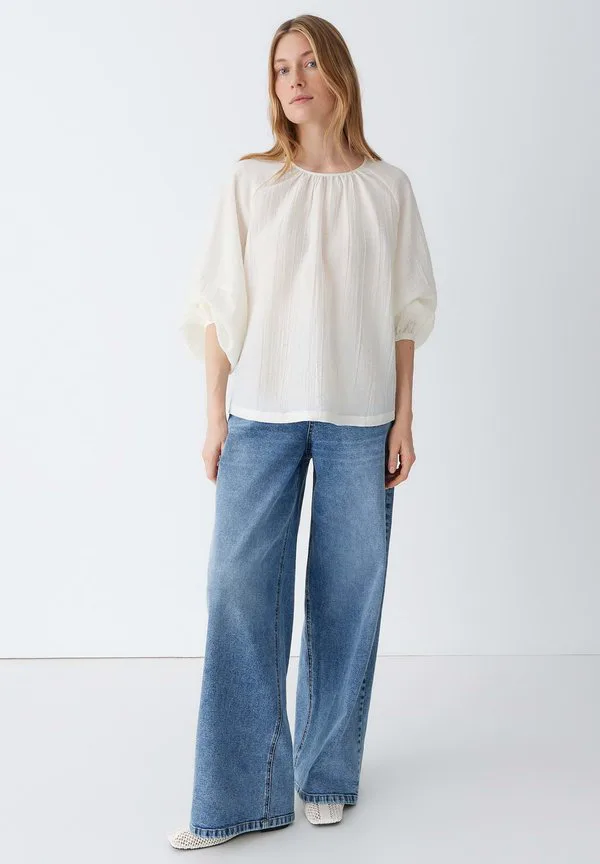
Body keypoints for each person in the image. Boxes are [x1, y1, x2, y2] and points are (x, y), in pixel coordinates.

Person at [169, 13, 437, 850]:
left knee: (346, 598)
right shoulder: (252, 183)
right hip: (262, 415)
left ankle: (326, 774)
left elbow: (406, 314)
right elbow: (218, 307)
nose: (293, 78)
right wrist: (214, 416)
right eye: (282, 67)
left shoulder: (388, 189)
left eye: (309, 62)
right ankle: (237, 798)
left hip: (361, 419)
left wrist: (404, 416)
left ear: (339, 76)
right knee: (238, 593)